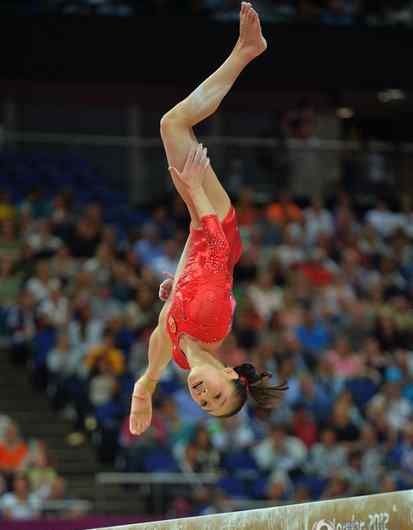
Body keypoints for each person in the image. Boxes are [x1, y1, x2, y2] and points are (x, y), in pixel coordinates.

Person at [129, 2, 287, 436]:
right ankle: (246, 50)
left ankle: (247, 49)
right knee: (173, 126)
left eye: (204, 405)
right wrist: (197, 193)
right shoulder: (212, 322)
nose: (202, 396)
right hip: (215, 229)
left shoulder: (186, 353)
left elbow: (164, 333)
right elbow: (217, 248)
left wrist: (148, 381)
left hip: (200, 244)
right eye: (217, 395)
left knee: (174, 126)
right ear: (233, 374)